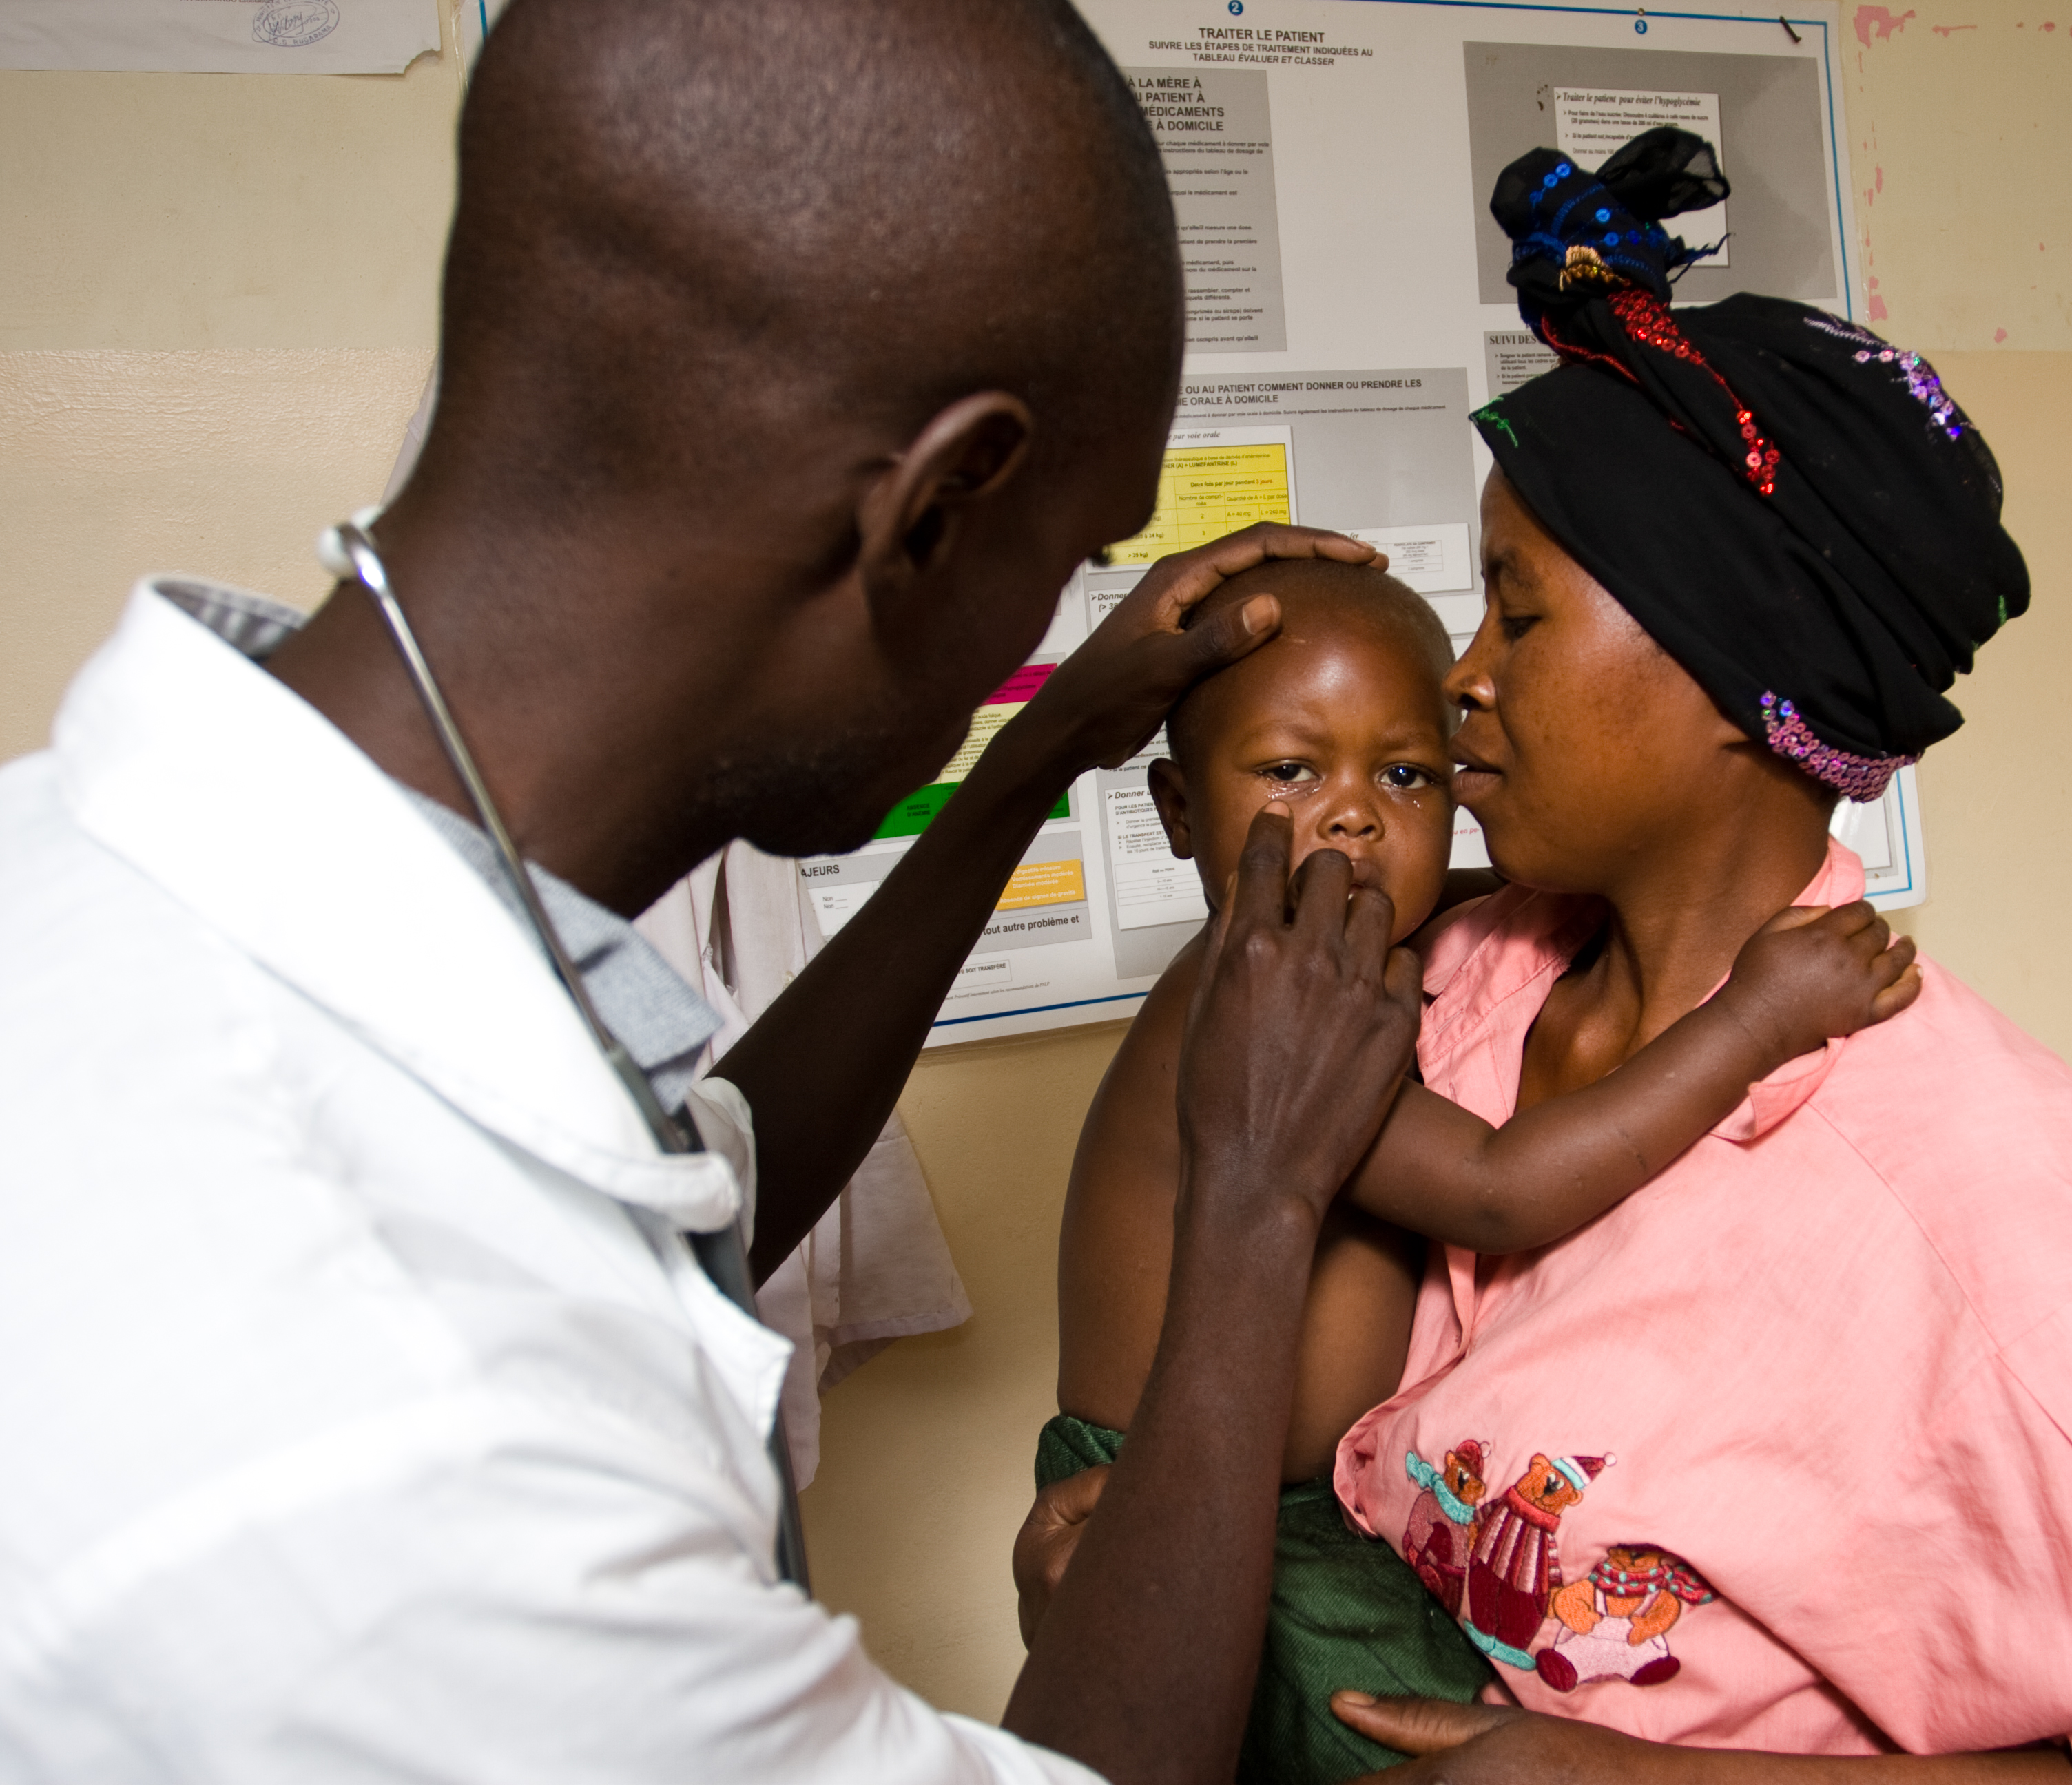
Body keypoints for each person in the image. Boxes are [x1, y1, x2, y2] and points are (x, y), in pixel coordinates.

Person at [0, 3, 1434, 1782]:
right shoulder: (413, 1440)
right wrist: (1253, 1202)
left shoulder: (126, 881)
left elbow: (719, 1176)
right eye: (1061, 557)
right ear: (931, 509)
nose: (1033, 638)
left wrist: (1022, 766)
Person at [1287, 134, 2072, 1783]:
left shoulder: (1976, 1206)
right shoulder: (1475, 981)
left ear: (1733, 672)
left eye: (1518, 621)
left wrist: (1636, 1779)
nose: (1457, 682)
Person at [1045, 559, 1922, 1783]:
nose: (1354, 816)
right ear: (1182, 814)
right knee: (1429, 1742)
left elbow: (1480, 890)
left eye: (1405, 776)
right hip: (1177, 1503)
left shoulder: (1377, 950)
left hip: (1300, 1505)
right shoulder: (1241, 1005)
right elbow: (1501, 1188)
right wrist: (1752, 1024)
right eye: (1291, 772)